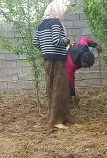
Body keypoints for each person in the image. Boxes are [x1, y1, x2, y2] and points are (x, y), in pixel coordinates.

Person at [33, 0, 71, 129]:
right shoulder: (55, 23)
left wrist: (45, 49)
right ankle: (57, 121)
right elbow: (56, 40)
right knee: (60, 89)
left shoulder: (41, 25)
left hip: (48, 61)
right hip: (58, 60)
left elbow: (36, 42)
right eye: (63, 10)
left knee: (51, 89)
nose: (64, 13)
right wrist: (67, 41)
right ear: (57, 10)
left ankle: (57, 117)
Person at [66, 37, 102, 104]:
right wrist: (73, 94)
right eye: (84, 65)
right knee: (66, 81)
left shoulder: (84, 46)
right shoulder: (72, 64)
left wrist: (96, 45)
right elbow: (70, 80)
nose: (85, 67)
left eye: (87, 66)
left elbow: (84, 39)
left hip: (74, 49)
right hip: (64, 56)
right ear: (81, 60)